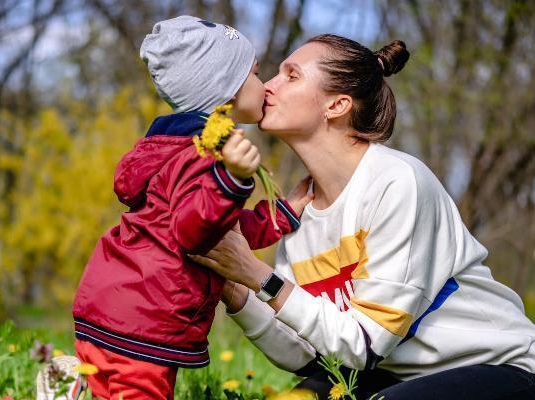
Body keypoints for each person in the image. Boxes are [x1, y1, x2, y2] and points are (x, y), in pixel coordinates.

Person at [190, 34, 535, 399]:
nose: (268, 87)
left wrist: (257, 273)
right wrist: (236, 288)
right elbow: (310, 355)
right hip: (393, 374)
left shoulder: (397, 183)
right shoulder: (298, 212)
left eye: (290, 76)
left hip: (500, 369)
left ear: (336, 105)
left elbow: (364, 344)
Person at [71, 16, 306, 400]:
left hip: (112, 306)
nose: (265, 87)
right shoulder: (203, 155)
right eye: (256, 73)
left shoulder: (167, 147)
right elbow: (193, 231)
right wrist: (232, 179)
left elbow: (221, 228)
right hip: (145, 322)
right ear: (227, 90)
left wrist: (280, 214)